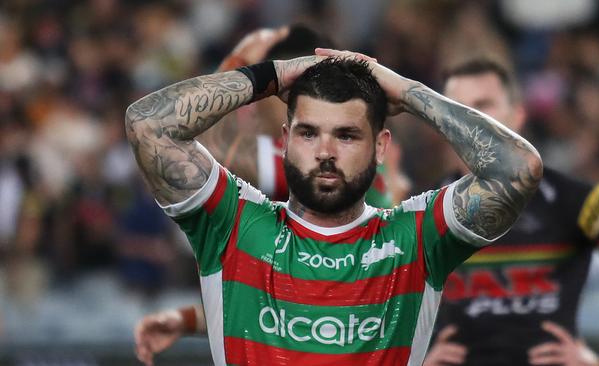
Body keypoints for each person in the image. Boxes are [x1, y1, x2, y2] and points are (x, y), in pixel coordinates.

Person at [125, 45, 542, 365]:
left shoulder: (416, 237)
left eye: (346, 135)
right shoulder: (233, 223)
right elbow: (148, 124)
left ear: (380, 146)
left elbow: (517, 169)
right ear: (285, 140)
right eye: (308, 133)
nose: (325, 152)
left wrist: (405, 91)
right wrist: (271, 76)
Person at [132, 25, 411, 366]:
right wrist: (189, 320)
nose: (252, 109)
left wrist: (250, 68)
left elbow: (199, 142)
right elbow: (297, 308)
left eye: (266, 97)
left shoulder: (312, 171)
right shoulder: (364, 166)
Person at [423, 58, 599, 366]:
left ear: (517, 116)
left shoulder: (580, 201)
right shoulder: (419, 210)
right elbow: (367, 308)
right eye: (457, 110)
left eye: (483, 105)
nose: (470, 120)